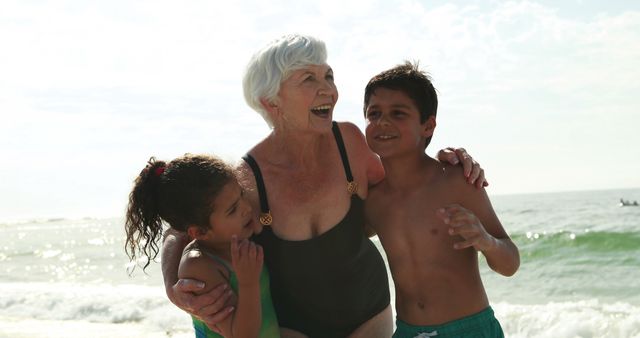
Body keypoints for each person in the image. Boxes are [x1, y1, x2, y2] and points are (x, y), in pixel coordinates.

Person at [161, 34, 487, 338]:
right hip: (296, 329)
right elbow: (181, 229)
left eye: (328, 76)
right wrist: (175, 287)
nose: (328, 90)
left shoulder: (351, 143)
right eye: (309, 79)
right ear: (272, 102)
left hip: (371, 317)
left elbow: (406, 187)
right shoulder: (248, 177)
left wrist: (445, 160)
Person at [363, 62, 520, 338]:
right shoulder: (372, 200)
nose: (382, 122)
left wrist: (485, 240)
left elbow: (510, 264)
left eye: (398, 113)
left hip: (469, 329)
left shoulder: (457, 181)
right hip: (408, 332)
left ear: (428, 125)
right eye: (373, 113)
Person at [124, 154, 279, 337]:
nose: (246, 208)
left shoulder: (236, 239)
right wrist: (248, 283)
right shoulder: (199, 266)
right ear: (199, 232)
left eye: (242, 195)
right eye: (232, 210)